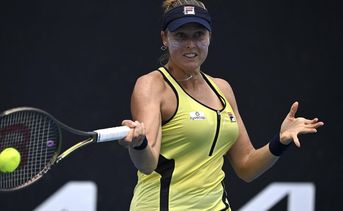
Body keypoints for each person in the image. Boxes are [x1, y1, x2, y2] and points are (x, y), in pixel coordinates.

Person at [119, 0, 324, 210]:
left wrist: (280, 141)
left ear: (209, 37)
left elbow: (247, 166)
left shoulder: (222, 89)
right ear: (165, 37)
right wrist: (139, 144)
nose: (191, 44)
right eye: (181, 35)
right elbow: (147, 164)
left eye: (198, 34)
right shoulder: (152, 85)